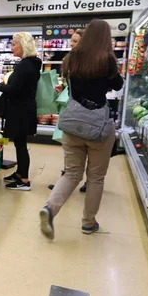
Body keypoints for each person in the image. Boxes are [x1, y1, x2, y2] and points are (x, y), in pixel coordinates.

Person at [39, 19, 124, 239]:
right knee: (95, 178)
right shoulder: (107, 60)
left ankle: (50, 208)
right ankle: (88, 222)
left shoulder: (71, 58)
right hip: (97, 126)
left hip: (72, 123)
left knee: (72, 173)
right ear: (105, 38)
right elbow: (118, 85)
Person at [0, 32, 42, 190]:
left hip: (20, 111)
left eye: (14, 44)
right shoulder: (33, 63)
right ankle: (19, 173)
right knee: (19, 143)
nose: (12, 47)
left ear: (23, 45)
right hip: (25, 109)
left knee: (21, 144)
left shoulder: (25, 65)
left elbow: (13, 89)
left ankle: (24, 180)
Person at [49, 29, 86, 192]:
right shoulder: (69, 60)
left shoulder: (90, 63)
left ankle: (88, 181)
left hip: (86, 111)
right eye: (71, 40)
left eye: (75, 41)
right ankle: (66, 178)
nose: (71, 44)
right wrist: (62, 86)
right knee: (68, 145)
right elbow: (69, 83)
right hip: (71, 108)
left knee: (86, 146)